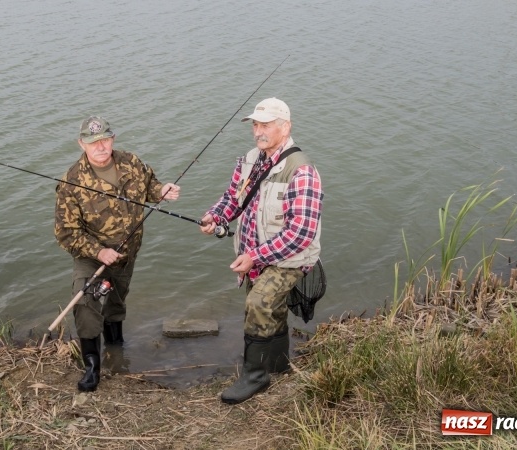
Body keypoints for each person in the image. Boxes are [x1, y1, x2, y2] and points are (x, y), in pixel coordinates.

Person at [199, 98, 323, 404]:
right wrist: (215, 216)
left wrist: (255, 256)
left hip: (290, 258)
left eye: (265, 124)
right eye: (255, 124)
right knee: (272, 307)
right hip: (254, 255)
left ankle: (255, 376)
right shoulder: (249, 160)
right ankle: (278, 364)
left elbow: (300, 234)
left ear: (285, 126)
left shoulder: (302, 171)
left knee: (258, 303)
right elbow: (233, 198)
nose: (258, 131)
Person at [55, 115, 180, 392]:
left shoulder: (132, 162)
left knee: (117, 301)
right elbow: (66, 233)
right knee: (86, 301)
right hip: (91, 257)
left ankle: (116, 348)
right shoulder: (71, 182)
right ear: (81, 144)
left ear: (112, 138)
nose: (100, 147)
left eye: (104, 140)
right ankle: (92, 366)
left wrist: (163, 190)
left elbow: (150, 187)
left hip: (127, 253)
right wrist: (99, 252)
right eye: (92, 142)